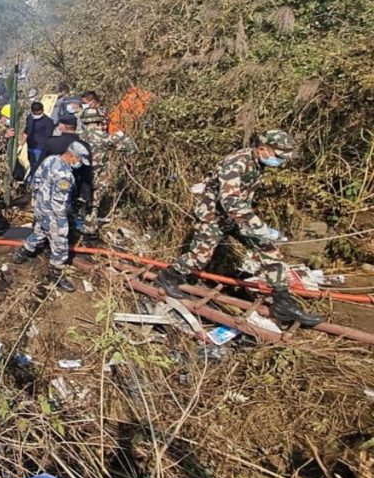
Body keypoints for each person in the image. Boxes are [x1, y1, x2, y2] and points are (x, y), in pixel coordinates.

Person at [154, 130, 322, 326]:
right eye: (278, 156)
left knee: (268, 249)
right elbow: (231, 201)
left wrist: (259, 231)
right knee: (199, 257)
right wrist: (260, 227)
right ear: (262, 149)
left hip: (237, 219)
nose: (281, 161)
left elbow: (241, 200)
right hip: (213, 217)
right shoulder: (237, 163)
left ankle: (282, 302)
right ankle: (167, 278)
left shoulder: (258, 163)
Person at [12, 142, 91, 293]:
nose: (79, 163)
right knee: (61, 246)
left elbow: (35, 182)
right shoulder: (65, 176)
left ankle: (21, 253)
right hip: (53, 214)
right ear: (72, 156)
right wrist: (62, 224)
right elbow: (59, 204)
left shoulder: (50, 160)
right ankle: (56, 275)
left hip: (40, 208)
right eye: (79, 160)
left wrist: (36, 202)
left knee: (40, 232)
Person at [78, 108, 135, 235]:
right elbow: (131, 148)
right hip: (98, 178)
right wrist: (121, 135)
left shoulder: (77, 136)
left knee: (78, 203)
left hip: (80, 178)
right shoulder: (105, 138)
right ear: (99, 121)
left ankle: (75, 227)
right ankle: (90, 230)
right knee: (93, 205)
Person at [39, 115, 93, 215]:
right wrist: (86, 193)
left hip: (52, 187)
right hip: (76, 187)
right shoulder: (84, 145)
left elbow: (41, 165)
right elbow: (87, 171)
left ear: (61, 126)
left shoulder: (51, 142)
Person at [22, 101, 55, 168]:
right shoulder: (30, 118)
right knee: (31, 165)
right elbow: (27, 130)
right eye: (35, 113)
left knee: (37, 167)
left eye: (38, 113)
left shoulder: (48, 122)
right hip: (30, 147)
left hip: (40, 148)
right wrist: (21, 143)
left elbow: (49, 137)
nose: (36, 115)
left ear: (42, 110)